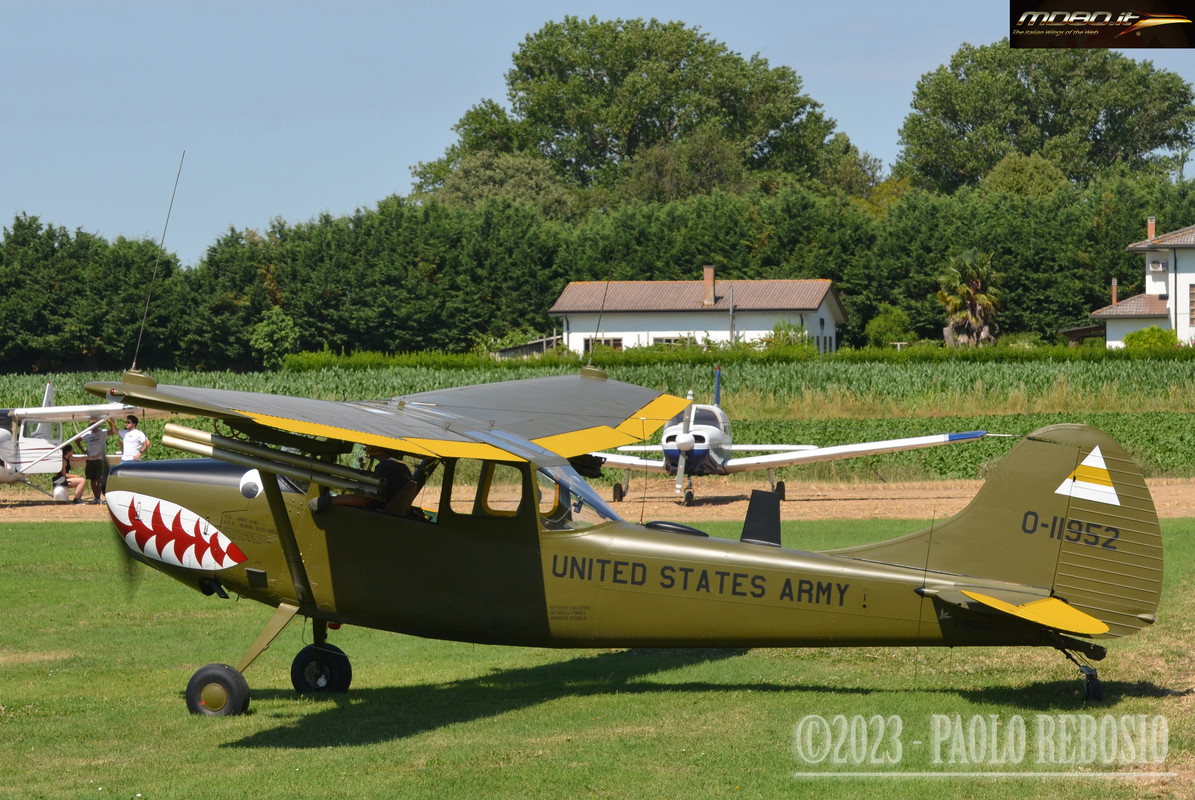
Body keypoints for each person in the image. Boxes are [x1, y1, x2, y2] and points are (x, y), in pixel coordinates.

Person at [80, 417, 115, 503]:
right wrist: (83, 450)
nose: (93, 426)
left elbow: (113, 431)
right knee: (92, 479)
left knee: (99, 479)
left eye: (94, 424)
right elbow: (77, 440)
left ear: (98, 425)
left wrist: (110, 422)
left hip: (100, 459)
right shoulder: (87, 434)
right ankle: (96, 498)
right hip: (91, 459)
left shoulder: (102, 432)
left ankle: (99, 497)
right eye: (91, 425)